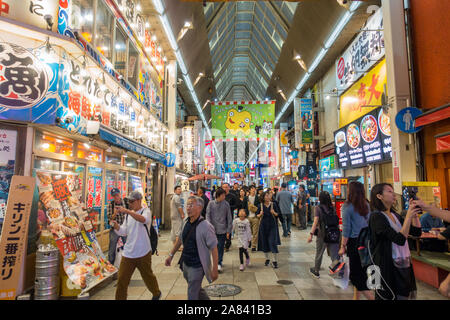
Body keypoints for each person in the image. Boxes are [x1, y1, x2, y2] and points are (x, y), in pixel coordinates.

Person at [369, 183, 422, 300]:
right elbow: (400, 239)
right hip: (386, 267)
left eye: (393, 191)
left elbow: (417, 232)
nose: (393, 194)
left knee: (404, 295)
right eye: (389, 191)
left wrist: (414, 214)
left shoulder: (395, 215)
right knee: (388, 296)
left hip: (404, 264)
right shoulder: (376, 217)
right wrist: (408, 216)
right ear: (379, 196)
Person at [110, 191, 161, 300]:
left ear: (139, 201)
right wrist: (116, 226)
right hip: (128, 253)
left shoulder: (145, 211)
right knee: (122, 280)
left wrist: (127, 211)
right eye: (128, 201)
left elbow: (144, 220)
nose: (130, 204)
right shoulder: (128, 216)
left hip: (143, 251)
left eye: (132, 201)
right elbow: (123, 231)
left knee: (148, 276)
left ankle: (156, 293)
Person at [165, 196, 219, 300]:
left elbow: (214, 247)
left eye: (191, 205)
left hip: (197, 266)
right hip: (186, 264)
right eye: (187, 205)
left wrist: (215, 269)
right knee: (196, 288)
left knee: (192, 293)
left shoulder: (206, 226)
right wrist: (171, 255)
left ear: (200, 208)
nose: (188, 208)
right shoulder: (185, 222)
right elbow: (180, 239)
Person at [338, 181, 374, 300]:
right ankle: (356, 298)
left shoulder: (347, 206)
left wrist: (343, 245)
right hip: (367, 242)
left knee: (355, 277)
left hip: (355, 243)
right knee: (362, 272)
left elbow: (346, 229)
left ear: (350, 191)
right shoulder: (366, 204)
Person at [413, 200, 450, 298]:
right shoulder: (425, 217)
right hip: (428, 240)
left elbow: (442, 234)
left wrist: (446, 282)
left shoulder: (438, 217)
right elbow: (420, 230)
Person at [307, 191, 340, 279]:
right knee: (334, 254)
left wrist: (311, 234)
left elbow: (315, 222)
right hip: (333, 233)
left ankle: (316, 271)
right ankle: (337, 272)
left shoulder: (318, 208)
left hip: (322, 234)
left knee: (319, 253)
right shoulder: (332, 207)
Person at [206, 187, 232, 273]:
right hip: (212, 230)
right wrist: (209, 226)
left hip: (223, 230)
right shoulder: (211, 204)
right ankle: (215, 262)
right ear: (219, 195)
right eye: (223, 195)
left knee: (220, 247)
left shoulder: (226, 204)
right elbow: (208, 215)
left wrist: (229, 230)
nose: (224, 196)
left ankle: (219, 263)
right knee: (213, 247)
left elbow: (229, 217)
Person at [256, 190, 281, 268]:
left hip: (272, 226)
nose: (268, 197)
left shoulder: (274, 204)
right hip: (263, 226)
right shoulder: (260, 205)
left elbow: (278, 214)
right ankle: (267, 258)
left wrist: (273, 212)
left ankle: (275, 260)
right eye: (266, 196)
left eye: (268, 195)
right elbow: (257, 216)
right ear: (263, 197)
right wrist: (259, 214)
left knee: (272, 242)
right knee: (264, 242)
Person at [107, 188, 129, 265]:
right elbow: (110, 218)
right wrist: (115, 213)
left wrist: (124, 210)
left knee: (127, 247)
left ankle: (127, 265)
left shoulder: (126, 203)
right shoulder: (111, 204)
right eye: (114, 196)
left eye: (117, 195)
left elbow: (130, 214)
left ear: (120, 194)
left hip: (125, 229)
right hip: (114, 230)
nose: (116, 197)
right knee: (112, 249)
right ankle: (111, 266)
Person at [222, 183, 238, 251]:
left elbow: (236, 205)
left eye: (226, 187)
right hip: (220, 215)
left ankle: (227, 244)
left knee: (228, 229)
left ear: (229, 188)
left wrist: (229, 207)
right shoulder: (220, 195)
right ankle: (223, 243)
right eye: (223, 187)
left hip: (229, 215)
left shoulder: (232, 196)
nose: (225, 188)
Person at [247, 185, 261, 252]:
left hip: (255, 217)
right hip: (248, 217)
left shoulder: (257, 198)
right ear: (249, 190)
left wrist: (258, 214)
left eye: (254, 189)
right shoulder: (246, 198)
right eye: (252, 189)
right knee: (249, 232)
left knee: (255, 233)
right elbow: (244, 207)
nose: (253, 190)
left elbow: (260, 207)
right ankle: (249, 241)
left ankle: (254, 246)